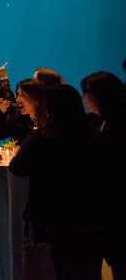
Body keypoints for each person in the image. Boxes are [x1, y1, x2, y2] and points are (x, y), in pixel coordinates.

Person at [9, 84, 110, 279]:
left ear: (49, 108)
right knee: (89, 269)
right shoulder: (95, 136)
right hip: (91, 217)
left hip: (52, 219)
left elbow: (17, 168)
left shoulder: (40, 139)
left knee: (54, 269)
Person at [81, 71, 126, 279]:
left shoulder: (115, 126)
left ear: (100, 95)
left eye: (87, 93)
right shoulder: (98, 122)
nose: (84, 98)